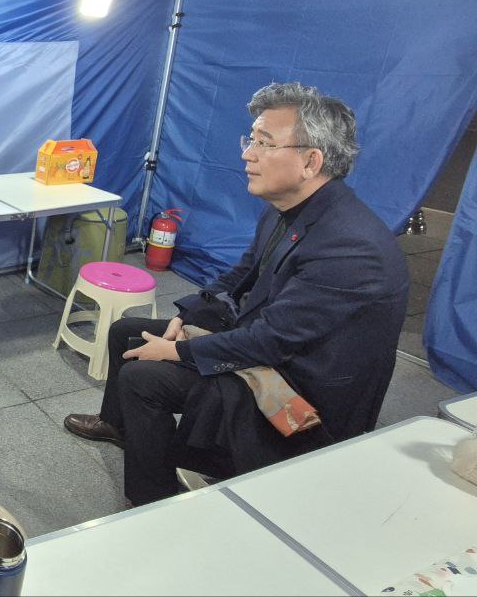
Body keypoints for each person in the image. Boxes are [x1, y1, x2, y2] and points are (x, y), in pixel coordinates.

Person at [64, 82, 409, 505]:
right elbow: (242, 273)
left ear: (311, 161)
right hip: (272, 344)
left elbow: (271, 341)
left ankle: (151, 502)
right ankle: (120, 427)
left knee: (143, 377)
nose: (248, 154)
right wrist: (187, 315)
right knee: (126, 332)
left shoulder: (349, 246)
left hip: (299, 389)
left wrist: (177, 352)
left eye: (265, 143)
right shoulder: (289, 208)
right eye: (251, 140)